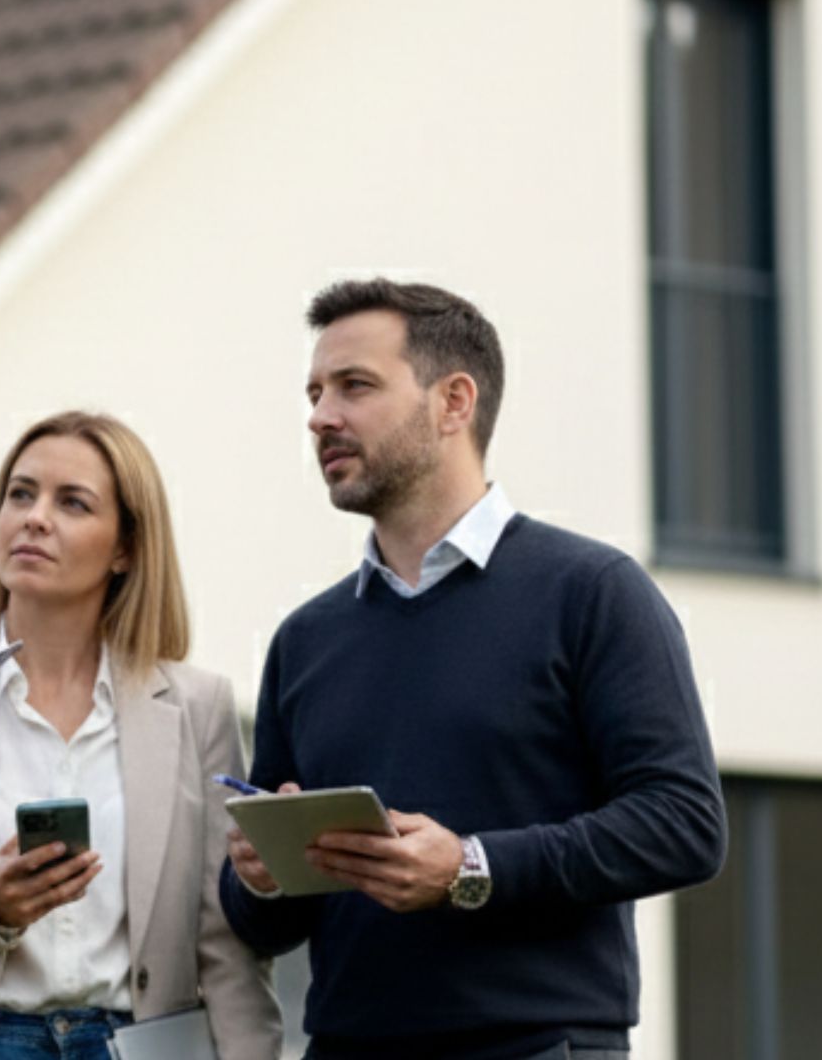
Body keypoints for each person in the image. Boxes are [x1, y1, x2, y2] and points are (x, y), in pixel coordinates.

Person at [219, 278, 728, 1059]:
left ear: (454, 402)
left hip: (537, 1044)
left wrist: (471, 867)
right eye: (316, 392)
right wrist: (259, 875)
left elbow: (684, 824)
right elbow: (272, 925)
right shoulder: (305, 640)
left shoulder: (593, 593)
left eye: (355, 386)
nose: (321, 416)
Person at [0, 412, 282, 1060]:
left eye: (72, 502)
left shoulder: (198, 708)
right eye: (21, 494)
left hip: (143, 1043)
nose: (35, 518)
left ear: (126, 547)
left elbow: (226, 949)